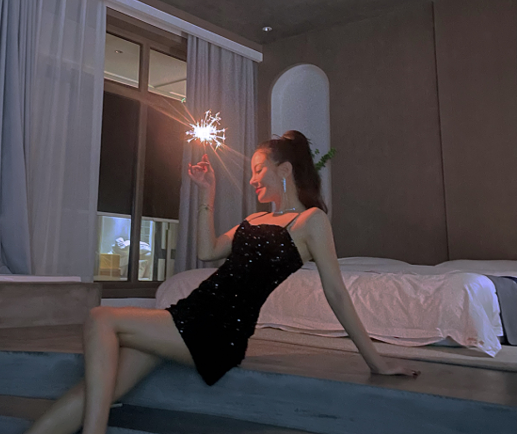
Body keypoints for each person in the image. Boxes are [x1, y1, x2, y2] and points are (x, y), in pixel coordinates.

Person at [26, 130, 419, 434]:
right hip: (189, 315)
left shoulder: (310, 222)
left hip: (218, 330)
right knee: (95, 391)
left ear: (284, 170)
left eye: (258, 170)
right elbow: (208, 250)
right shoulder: (254, 219)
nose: (251, 180)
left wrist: (377, 362)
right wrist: (208, 192)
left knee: (100, 318)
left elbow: (336, 293)